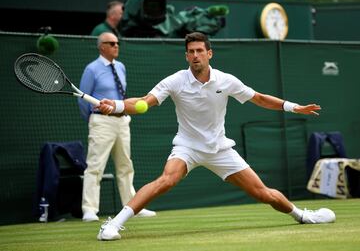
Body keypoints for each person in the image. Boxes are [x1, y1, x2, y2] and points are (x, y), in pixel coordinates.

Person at [95, 32, 335, 240]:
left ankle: (303, 216)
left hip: (219, 148)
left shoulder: (226, 81)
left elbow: (259, 98)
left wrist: (294, 107)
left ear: (210, 53)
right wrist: (116, 106)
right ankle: (114, 224)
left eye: (200, 50)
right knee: (165, 181)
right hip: (187, 147)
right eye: (191, 51)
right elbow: (144, 102)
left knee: (263, 193)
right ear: (186, 56)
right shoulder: (175, 81)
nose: (195, 55)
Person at [78, 32, 156, 222]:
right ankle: (89, 210)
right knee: (95, 166)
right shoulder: (92, 69)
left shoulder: (120, 67)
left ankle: (132, 206)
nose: (116, 46)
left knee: (125, 165)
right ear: (101, 46)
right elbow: (83, 99)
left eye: (117, 43)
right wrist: (93, 119)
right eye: (111, 43)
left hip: (122, 120)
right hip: (101, 122)